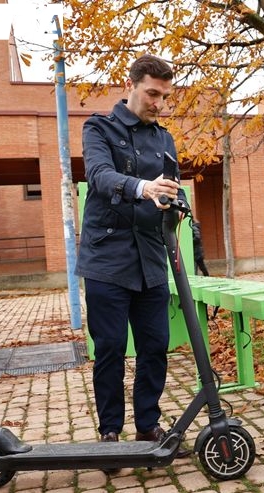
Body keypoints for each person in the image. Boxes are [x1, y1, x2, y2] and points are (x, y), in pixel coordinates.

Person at [77, 54, 189, 455]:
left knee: (155, 345)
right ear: (132, 86)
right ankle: (110, 431)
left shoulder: (163, 138)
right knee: (109, 348)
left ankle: (147, 425)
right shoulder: (98, 127)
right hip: (107, 260)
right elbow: (100, 177)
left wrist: (170, 200)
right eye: (152, 94)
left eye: (164, 96)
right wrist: (144, 189)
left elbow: (172, 185)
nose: (158, 103)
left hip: (150, 260)